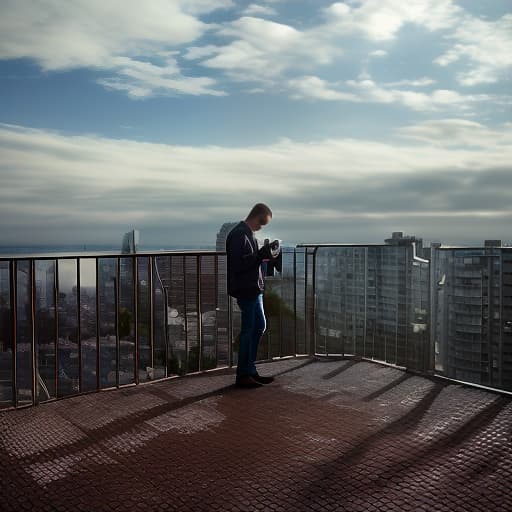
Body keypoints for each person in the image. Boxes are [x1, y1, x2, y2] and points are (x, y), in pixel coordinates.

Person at [226, 203, 280, 388]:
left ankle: (249, 370)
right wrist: (259, 256)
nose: (261, 227)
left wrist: (265, 256)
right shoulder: (239, 234)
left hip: (254, 288)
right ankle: (243, 374)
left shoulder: (248, 234)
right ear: (257, 217)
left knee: (258, 327)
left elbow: (250, 261)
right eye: (262, 223)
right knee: (249, 330)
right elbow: (238, 266)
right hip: (246, 289)